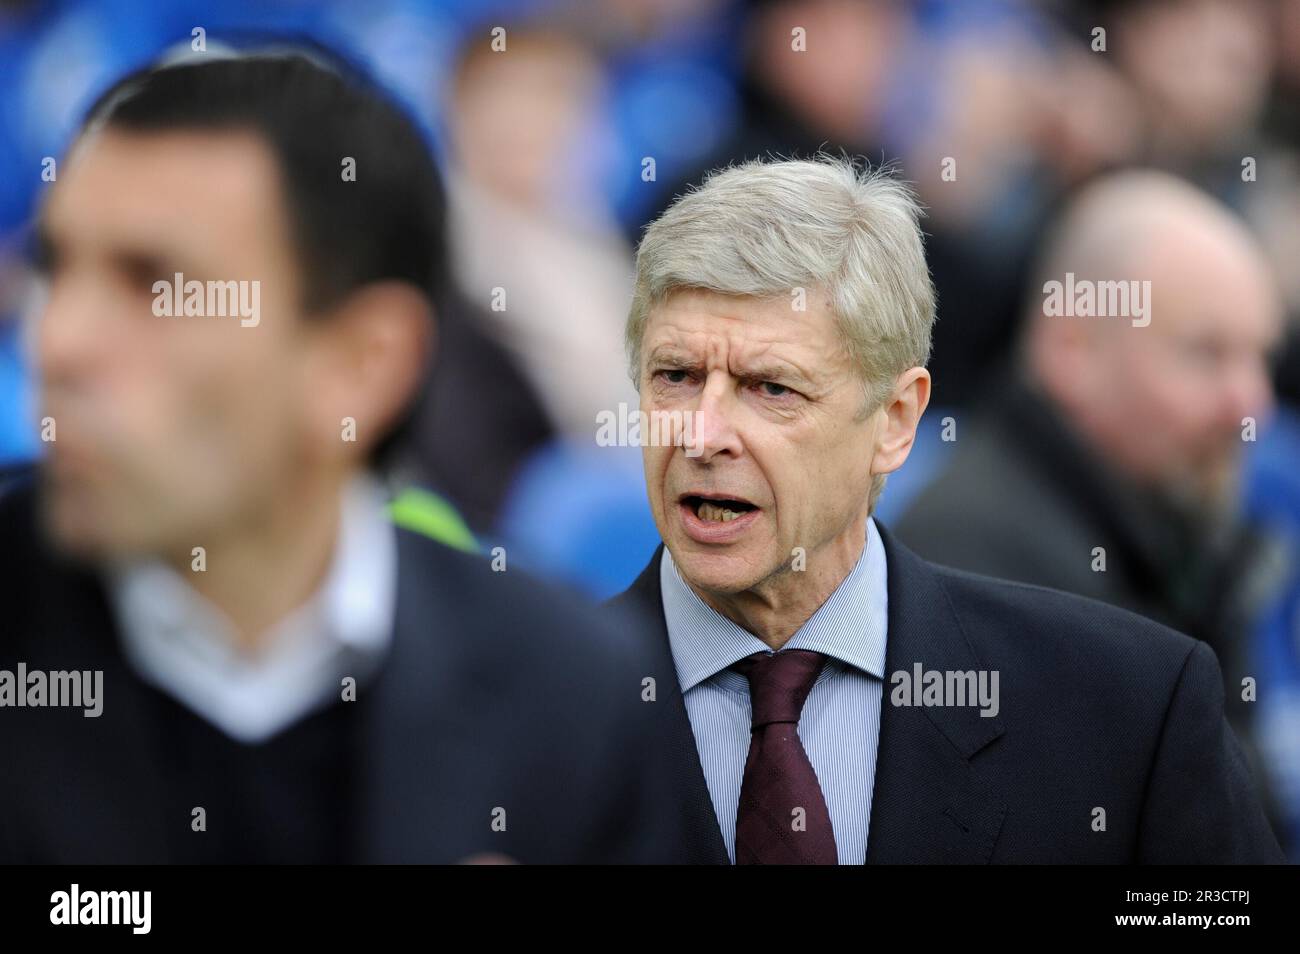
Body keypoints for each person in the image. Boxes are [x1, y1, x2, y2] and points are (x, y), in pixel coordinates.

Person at [0, 49, 687, 864]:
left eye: (153, 283)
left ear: (364, 362)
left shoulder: (578, 695)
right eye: (55, 266)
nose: (58, 342)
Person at [608, 155, 1285, 863]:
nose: (702, 435)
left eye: (771, 388)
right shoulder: (517, 710)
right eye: (676, 377)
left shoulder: (1128, 704)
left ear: (896, 421)